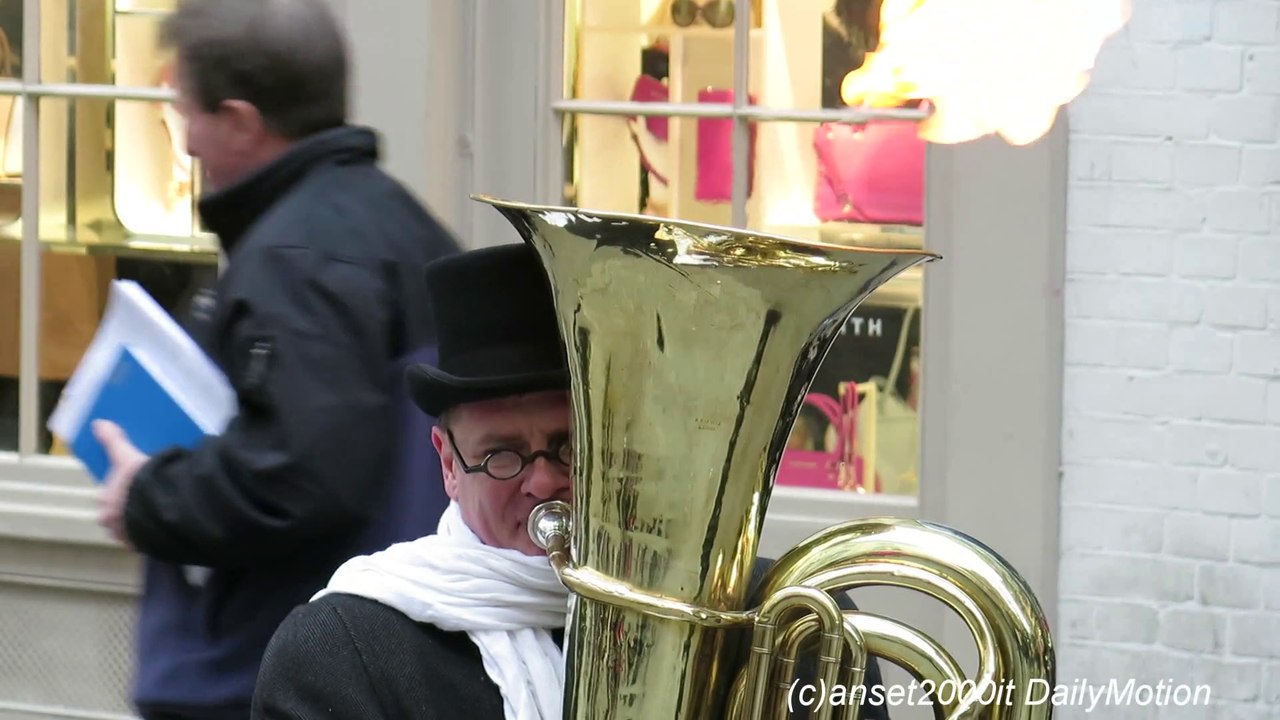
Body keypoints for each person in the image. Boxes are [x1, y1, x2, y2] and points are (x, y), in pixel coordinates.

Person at [250, 243, 892, 720]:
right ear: (447, 462)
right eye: (502, 454)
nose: (543, 482)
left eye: (571, 448)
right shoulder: (342, 650)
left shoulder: (779, 620)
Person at [89, 0, 459, 717]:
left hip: (289, 663)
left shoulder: (296, 258)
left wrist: (148, 496)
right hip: (383, 654)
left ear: (240, 120)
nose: (185, 141)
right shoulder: (402, 223)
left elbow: (301, 475)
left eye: (185, 112)